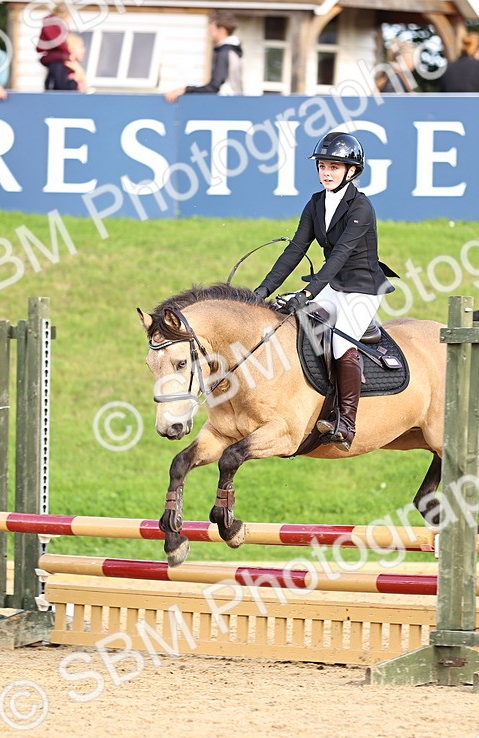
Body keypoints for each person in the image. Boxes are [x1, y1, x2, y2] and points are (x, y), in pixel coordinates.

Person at [252, 132, 398, 452]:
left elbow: (340, 255)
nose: (326, 172)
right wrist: (263, 289)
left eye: (334, 166)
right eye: (322, 166)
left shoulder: (361, 207)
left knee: (341, 343)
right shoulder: (316, 202)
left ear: (351, 170)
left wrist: (308, 292)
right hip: (332, 284)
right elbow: (296, 248)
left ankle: (346, 424)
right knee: (289, 318)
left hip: (361, 288)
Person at [164, 12, 242, 101]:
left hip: (226, 103)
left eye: (212, 30)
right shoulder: (233, 51)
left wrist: (185, 90)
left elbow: (214, 87)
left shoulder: (224, 53)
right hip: (235, 102)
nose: (210, 34)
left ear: (221, 31)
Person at [37, 5, 74, 91]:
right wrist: (68, 53)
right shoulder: (52, 27)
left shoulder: (53, 26)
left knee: (54, 82)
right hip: (57, 61)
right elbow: (58, 42)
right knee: (59, 85)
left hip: (55, 60)